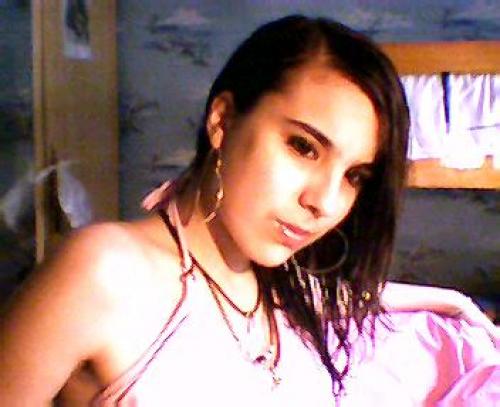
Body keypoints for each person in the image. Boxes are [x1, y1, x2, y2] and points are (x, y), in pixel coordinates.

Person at [0, 15, 498, 406]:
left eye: (354, 176)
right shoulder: (105, 271)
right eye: (303, 147)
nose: (324, 202)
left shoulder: (290, 290)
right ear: (223, 120)